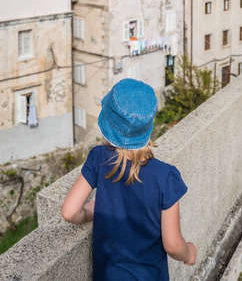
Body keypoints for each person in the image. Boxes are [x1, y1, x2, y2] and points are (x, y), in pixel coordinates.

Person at [62, 78, 196, 280]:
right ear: (149, 125)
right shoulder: (166, 177)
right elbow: (172, 244)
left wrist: (90, 211)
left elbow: (69, 212)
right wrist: (188, 252)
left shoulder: (98, 158)